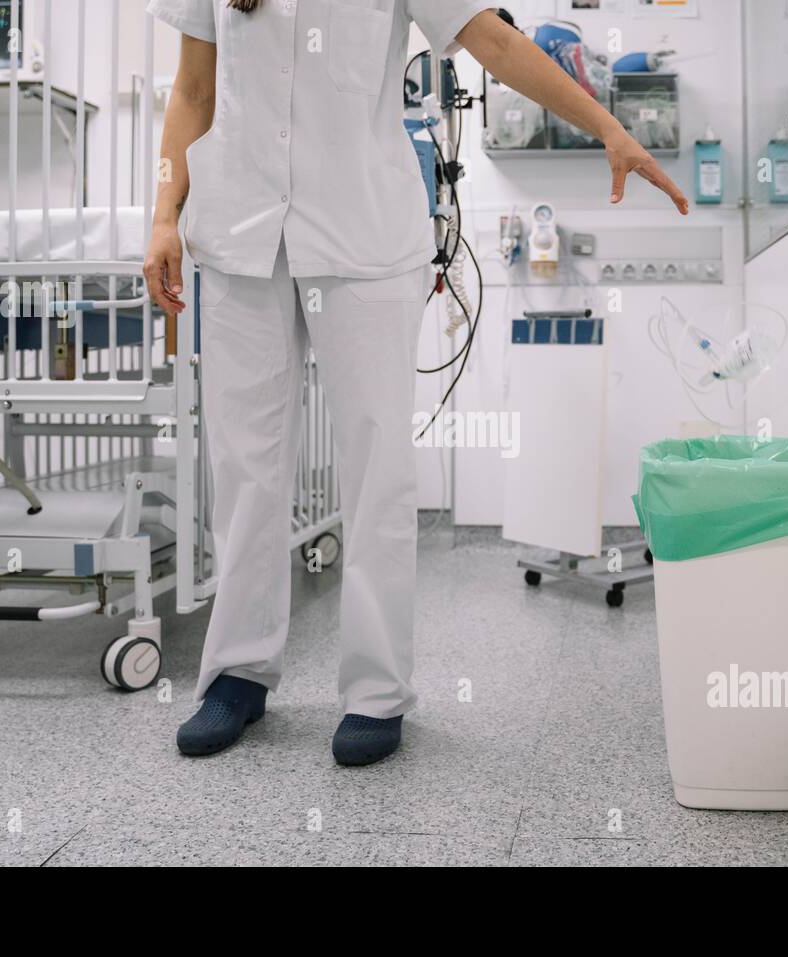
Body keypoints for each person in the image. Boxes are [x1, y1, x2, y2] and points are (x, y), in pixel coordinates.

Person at [144, 0, 689, 766]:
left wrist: (608, 126)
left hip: (362, 235)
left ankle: (374, 690)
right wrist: (164, 214)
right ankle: (237, 671)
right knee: (243, 467)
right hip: (238, 235)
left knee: (378, 470)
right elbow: (193, 90)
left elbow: (492, 41)